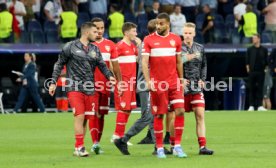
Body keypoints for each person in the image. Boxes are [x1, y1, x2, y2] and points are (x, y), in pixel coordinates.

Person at [49, 22, 116, 157]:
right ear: (86, 32)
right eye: (94, 32)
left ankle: (78, 148)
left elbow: (102, 65)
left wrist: (110, 77)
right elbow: (59, 64)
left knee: (85, 118)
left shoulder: (95, 49)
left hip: (90, 88)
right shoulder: (70, 47)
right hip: (74, 87)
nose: (97, 34)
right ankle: (80, 147)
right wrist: (53, 82)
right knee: (79, 116)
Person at [142, 13, 186, 159]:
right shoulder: (148, 39)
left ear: (168, 24)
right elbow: (144, 62)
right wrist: (148, 81)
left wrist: (181, 79)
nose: (158, 26)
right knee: (160, 115)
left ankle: (177, 146)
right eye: (157, 24)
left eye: (161, 23)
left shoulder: (176, 39)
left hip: (174, 82)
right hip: (158, 84)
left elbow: (179, 61)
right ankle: (160, 147)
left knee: (179, 111)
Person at [88, 17, 122, 154]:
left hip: (106, 85)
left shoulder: (110, 45)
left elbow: (115, 67)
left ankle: (97, 143)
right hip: (90, 85)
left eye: (102, 28)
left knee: (101, 115)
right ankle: (94, 143)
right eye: (97, 28)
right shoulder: (85, 45)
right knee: (94, 113)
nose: (100, 31)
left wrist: (119, 83)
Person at [182, 22, 214, 155]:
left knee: (200, 115)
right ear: (183, 34)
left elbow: (204, 65)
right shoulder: (178, 48)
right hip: (181, 87)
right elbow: (174, 64)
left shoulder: (200, 48)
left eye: (190, 33)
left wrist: (203, 79)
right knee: (175, 116)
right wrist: (180, 78)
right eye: (185, 33)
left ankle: (202, 147)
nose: (188, 35)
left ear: (194, 34)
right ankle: (173, 144)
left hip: (196, 87)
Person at [112, 22, 140, 154]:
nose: (136, 33)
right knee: (123, 109)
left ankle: (120, 135)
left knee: (128, 109)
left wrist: (140, 45)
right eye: (134, 31)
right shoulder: (119, 46)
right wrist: (118, 81)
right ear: (126, 32)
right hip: (123, 83)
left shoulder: (133, 46)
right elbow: (113, 65)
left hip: (132, 82)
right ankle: (117, 136)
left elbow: (140, 60)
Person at [246, 34, 268, 111]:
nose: (253, 40)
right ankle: (251, 105)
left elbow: (266, 60)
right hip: (252, 72)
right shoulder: (249, 49)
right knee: (251, 88)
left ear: (259, 39)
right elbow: (247, 60)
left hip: (261, 72)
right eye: (252, 38)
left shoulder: (264, 49)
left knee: (260, 89)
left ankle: (259, 106)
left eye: (255, 38)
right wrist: (248, 68)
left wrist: (265, 68)